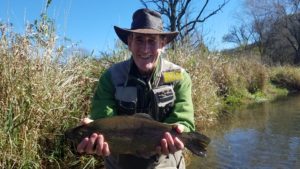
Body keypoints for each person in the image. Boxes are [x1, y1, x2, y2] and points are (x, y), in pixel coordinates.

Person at [77, 8, 195, 169]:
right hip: (120, 163)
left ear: (162, 44)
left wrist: (181, 130)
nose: (145, 49)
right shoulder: (111, 77)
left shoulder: (177, 75)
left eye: (152, 41)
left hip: (166, 162)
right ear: (129, 43)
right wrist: (96, 133)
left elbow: (184, 118)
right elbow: (104, 120)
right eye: (139, 40)